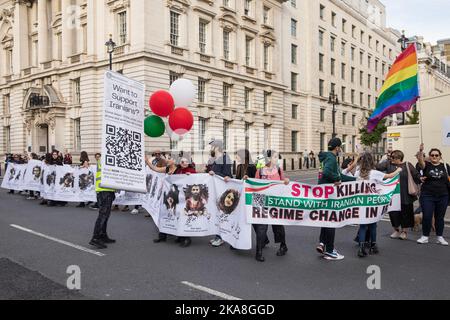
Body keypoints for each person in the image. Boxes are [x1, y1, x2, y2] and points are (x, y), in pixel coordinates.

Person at [354, 152, 402, 257]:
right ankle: (373, 246)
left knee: (362, 226)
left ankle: (361, 248)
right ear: (372, 161)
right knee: (372, 225)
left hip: (361, 203)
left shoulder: (357, 173)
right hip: (372, 203)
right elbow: (389, 176)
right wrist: (398, 170)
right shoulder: (374, 172)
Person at [316, 138, 356, 261]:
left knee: (326, 220)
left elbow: (339, 175)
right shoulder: (331, 158)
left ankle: (322, 243)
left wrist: (356, 180)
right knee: (331, 221)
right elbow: (329, 173)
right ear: (337, 147)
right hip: (329, 194)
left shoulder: (325, 157)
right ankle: (330, 251)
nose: (340, 149)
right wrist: (336, 178)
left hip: (323, 192)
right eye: (340, 147)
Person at [147, 153, 196, 247]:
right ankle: (163, 236)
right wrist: (146, 161)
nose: (167, 160)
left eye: (169, 159)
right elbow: (155, 169)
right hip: (168, 197)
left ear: (174, 161)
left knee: (181, 217)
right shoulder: (167, 169)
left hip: (180, 199)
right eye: (167, 159)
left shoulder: (181, 170)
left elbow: (193, 179)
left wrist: (189, 175)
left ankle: (185, 239)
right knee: (165, 215)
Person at [377, 150, 421, 240]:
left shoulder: (407, 165)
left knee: (405, 213)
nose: (391, 158)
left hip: (405, 194)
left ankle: (404, 231)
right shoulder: (388, 164)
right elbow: (378, 167)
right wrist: (385, 159)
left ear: (399, 158)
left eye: (393, 157)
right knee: (393, 213)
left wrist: (421, 178)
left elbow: (416, 175)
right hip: (392, 194)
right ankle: (396, 230)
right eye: (391, 157)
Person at [254, 149, 290, 261]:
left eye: (277, 157)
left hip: (275, 201)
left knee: (278, 226)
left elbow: (284, 182)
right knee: (261, 227)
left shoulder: (279, 170)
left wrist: (286, 181)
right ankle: (258, 251)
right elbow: (254, 185)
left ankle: (283, 246)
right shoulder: (260, 171)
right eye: (274, 157)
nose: (276, 159)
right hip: (262, 200)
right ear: (268, 158)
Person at [416, 144, 449, 246]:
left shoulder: (445, 166)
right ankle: (425, 236)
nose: (434, 157)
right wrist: (421, 151)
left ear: (440, 156)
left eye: (437, 155)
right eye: (432, 155)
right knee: (427, 216)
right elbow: (420, 161)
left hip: (443, 195)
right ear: (429, 156)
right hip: (428, 195)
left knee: (440, 217)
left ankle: (440, 237)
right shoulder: (426, 165)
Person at [208, 139, 233, 247]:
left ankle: (221, 237)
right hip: (215, 189)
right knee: (216, 214)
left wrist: (215, 173)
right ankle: (217, 235)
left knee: (221, 214)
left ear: (217, 147)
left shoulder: (225, 158)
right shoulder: (215, 158)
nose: (211, 148)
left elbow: (228, 176)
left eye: (212, 146)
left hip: (223, 190)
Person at [232, 149, 257, 252]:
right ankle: (237, 241)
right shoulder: (238, 167)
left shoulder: (251, 167)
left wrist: (248, 179)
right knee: (241, 219)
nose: (236, 158)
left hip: (250, 197)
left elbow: (255, 181)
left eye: (237, 156)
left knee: (251, 221)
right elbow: (237, 181)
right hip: (241, 197)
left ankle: (263, 238)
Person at [89, 157, 116, 249]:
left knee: (106, 215)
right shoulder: (106, 158)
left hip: (107, 190)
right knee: (103, 215)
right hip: (104, 190)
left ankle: (103, 235)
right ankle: (95, 238)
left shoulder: (105, 158)